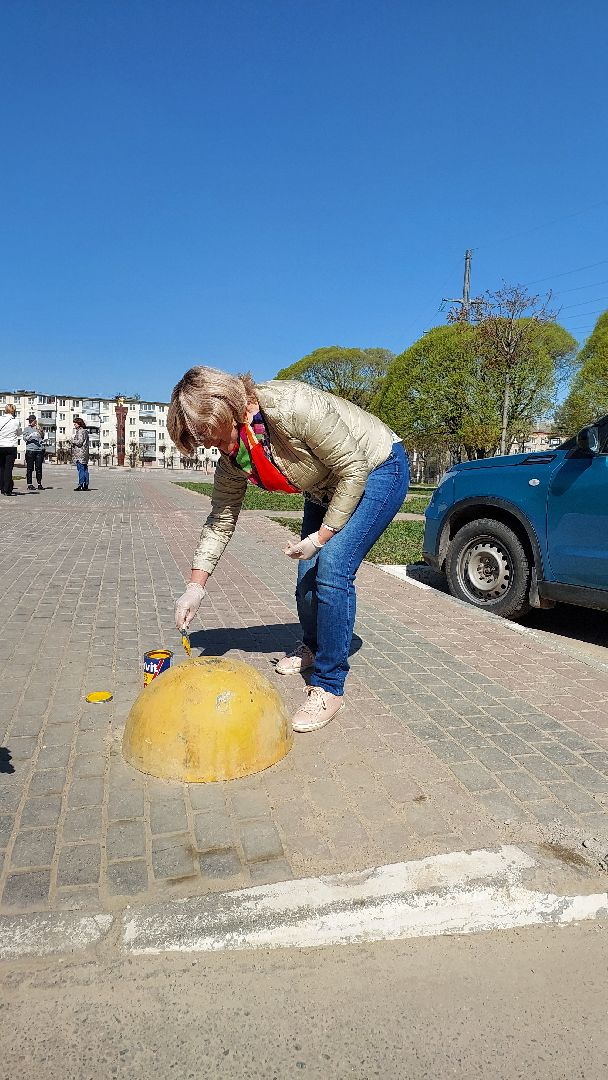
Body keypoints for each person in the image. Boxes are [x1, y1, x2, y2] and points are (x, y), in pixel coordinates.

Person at [169, 367, 409, 733]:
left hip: (377, 467)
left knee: (332, 567)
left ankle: (329, 686)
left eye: (213, 437)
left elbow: (352, 467)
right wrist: (195, 586)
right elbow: (221, 517)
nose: (215, 449)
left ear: (228, 409)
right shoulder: (235, 457)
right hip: (325, 485)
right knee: (305, 577)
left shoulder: (292, 404)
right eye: (206, 444)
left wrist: (322, 537)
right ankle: (312, 645)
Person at [0, 404, 22, 496]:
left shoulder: (0, 419)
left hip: (1, 445)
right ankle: (7, 489)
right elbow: (19, 433)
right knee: (8, 469)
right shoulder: (16, 421)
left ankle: (1, 487)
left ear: (5, 410)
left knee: (1, 467)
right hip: (11, 446)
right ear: (14, 411)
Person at [23, 413, 46, 490]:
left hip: (39, 450)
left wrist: (40, 431)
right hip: (30, 450)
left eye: (32, 421)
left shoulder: (39, 428)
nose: (30, 422)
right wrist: (30, 435)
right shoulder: (26, 429)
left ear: (35, 421)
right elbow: (25, 439)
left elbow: (42, 437)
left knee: (39, 467)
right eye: (29, 421)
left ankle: (39, 484)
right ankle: (29, 484)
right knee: (30, 468)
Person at [71, 417, 90, 490]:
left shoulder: (80, 431)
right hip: (84, 453)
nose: (74, 425)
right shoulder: (85, 431)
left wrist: (72, 441)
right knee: (85, 469)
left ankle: (81, 485)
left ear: (79, 424)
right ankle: (86, 484)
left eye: (75, 424)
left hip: (80, 454)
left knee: (81, 469)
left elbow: (79, 442)